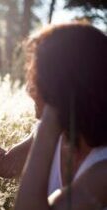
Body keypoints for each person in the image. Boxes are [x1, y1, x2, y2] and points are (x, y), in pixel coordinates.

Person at [14, 22, 107, 210]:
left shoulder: (103, 170)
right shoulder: (64, 139)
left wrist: (50, 122)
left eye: (36, 79)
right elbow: (4, 163)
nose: (28, 90)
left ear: (60, 87)